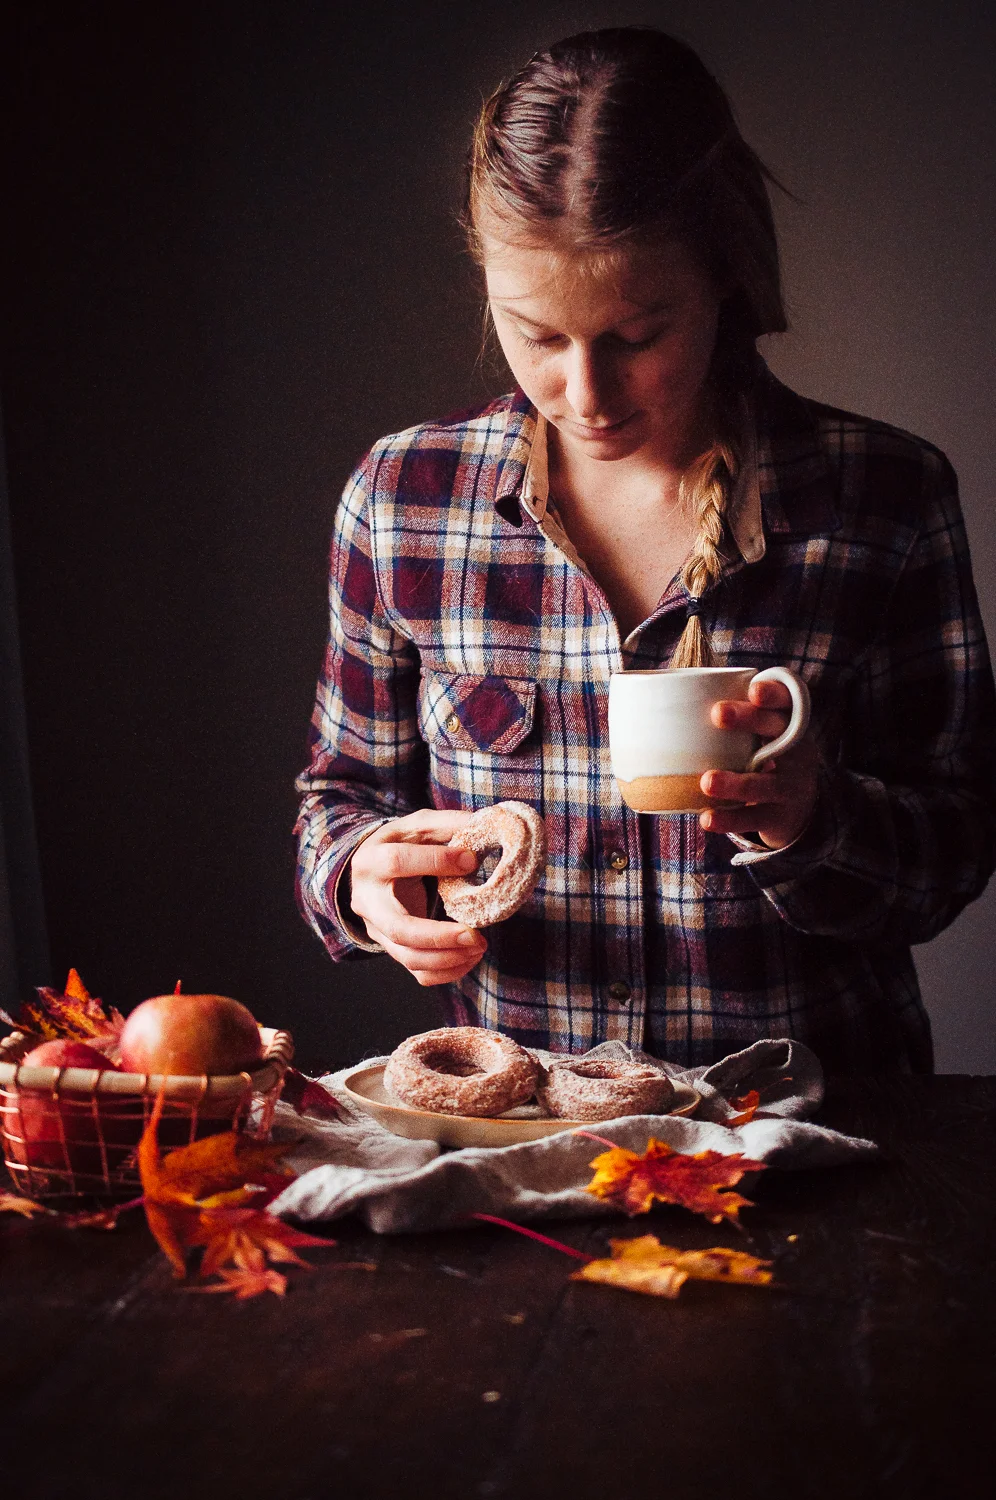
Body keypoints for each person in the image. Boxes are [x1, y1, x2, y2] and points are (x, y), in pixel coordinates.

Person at [294, 26, 996, 1072]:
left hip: (819, 1126)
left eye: (636, 335)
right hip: (525, 1139)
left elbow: (957, 848)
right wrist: (362, 879)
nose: (586, 394)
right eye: (539, 335)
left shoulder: (884, 498)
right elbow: (339, 798)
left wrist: (812, 819)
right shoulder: (404, 501)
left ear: (724, 277)